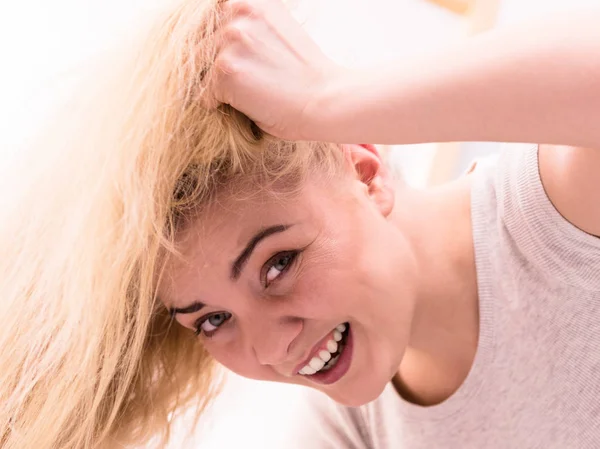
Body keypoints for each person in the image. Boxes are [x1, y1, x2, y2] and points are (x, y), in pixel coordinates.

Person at [1, 0, 598, 447]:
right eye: (212, 319)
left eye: (278, 263)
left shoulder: (554, 221)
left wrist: (328, 98)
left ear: (365, 171)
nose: (272, 348)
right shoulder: (353, 425)